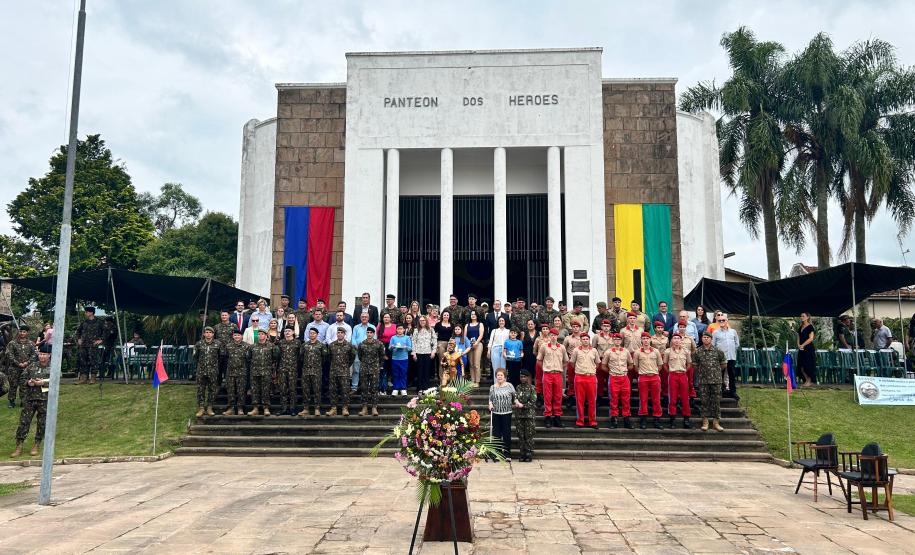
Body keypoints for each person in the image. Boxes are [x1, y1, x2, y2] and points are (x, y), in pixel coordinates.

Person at [11, 345, 50, 458]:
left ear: (49, 355)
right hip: (30, 399)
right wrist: (28, 382)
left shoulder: (53, 367)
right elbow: (22, 378)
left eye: (44, 354)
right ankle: (19, 446)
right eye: (41, 354)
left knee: (41, 423)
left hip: (44, 399)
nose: (42, 356)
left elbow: (57, 380)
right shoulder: (32, 366)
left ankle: (36, 444)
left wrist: (43, 382)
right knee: (24, 422)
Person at [693, 331, 727, 432]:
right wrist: (704, 372)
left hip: (716, 380)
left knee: (716, 401)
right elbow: (695, 366)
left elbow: (723, 364)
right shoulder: (697, 351)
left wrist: (714, 371)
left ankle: (716, 422)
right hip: (703, 381)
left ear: (711, 339)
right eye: (704, 337)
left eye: (708, 337)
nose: (706, 339)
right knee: (704, 401)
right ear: (702, 339)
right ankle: (705, 421)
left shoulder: (718, 350)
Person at [538, 328, 568, 428]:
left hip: (558, 374)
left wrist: (559, 367)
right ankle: (548, 417)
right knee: (547, 396)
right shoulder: (544, 346)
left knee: (558, 396)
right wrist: (545, 368)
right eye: (551, 335)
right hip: (547, 374)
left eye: (555, 335)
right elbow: (539, 360)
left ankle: (557, 417)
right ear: (549, 336)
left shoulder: (562, 347)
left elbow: (566, 361)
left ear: (557, 336)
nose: (553, 337)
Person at [633, 332, 663, 429]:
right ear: (641, 340)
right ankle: (643, 418)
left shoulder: (656, 351)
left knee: (656, 399)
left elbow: (660, 365)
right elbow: (635, 366)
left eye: (647, 338)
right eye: (644, 338)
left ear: (650, 340)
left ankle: (657, 418)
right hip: (643, 377)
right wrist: (643, 373)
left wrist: (653, 372)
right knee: (643, 398)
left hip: (654, 377)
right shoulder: (637, 352)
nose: (645, 340)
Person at [602, 333, 632, 429]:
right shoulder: (608, 352)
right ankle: (614, 419)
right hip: (613, 377)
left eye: (619, 339)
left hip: (624, 377)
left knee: (626, 399)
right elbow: (603, 366)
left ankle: (626, 418)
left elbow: (631, 364)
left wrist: (625, 370)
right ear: (613, 340)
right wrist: (611, 371)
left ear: (621, 341)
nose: (617, 341)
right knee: (614, 399)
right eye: (615, 339)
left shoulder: (626, 351)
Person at [570, 331, 600, 429]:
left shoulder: (594, 350)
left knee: (592, 400)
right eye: (583, 339)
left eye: (587, 339)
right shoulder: (576, 350)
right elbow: (572, 363)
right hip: (580, 377)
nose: (585, 341)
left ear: (589, 340)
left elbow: (597, 363)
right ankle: (580, 421)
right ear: (581, 340)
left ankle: (592, 421)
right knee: (580, 400)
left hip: (591, 377)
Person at [298, 328, 328, 417]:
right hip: (306, 371)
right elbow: (301, 357)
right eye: (310, 333)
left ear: (317, 334)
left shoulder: (321, 345)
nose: (312, 335)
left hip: (317, 371)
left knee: (317, 390)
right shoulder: (304, 345)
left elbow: (324, 358)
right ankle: (306, 408)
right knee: (305, 390)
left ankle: (317, 408)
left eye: (314, 333)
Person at [488, 368, 516, 462]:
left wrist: (517, 402)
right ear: (496, 376)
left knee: (506, 433)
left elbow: (514, 397)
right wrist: (490, 404)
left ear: (505, 377)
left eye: (501, 375)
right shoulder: (492, 387)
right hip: (496, 413)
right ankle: (498, 453)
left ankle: (507, 454)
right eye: (498, 375)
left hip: (507, 413)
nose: (499, 377)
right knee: (496, 434)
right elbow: (490, 399)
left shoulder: (509, 386)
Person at [192, 327, 221, 418]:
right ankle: (201, 408)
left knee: (212, 390)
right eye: (206, 332)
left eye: (210, 332)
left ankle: (209, 407)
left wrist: (215, 366)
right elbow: (195, 356)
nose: (208, 334)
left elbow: (221, 357)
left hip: (213, 371)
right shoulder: (199, 344)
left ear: (213, 334)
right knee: (201, 390)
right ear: (204, 334)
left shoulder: (218, 344)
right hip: (201, 371)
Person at [327, 327, 357, 416]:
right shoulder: (332, 345)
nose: (340, 334)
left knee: (345, 390)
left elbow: (352, 357)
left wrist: (346, 365)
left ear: (344, 334)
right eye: (338, 332)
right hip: (333, 371)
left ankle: (345, 408)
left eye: (341, 332)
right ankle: (333, 408)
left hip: (344, 372)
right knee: (333, 390)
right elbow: (329, 357)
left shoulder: (349, 345)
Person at [356, 327, 385, 416]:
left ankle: (374, 407)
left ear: (373, 334)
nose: (369, 334)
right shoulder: (362, 344)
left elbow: (381, 356)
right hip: (364, 368)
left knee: (374, 388)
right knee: (364, 388)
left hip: (374, 369)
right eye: (368, 332)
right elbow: (360, 356)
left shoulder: (379, 344)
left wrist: (378, 366)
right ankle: (364, 407)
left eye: (371, 332)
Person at [665, 333, 692, 429]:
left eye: (678, 338)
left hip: (683, 375)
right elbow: (665, 364)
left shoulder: (686, 351)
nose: (676, 340)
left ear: (681, 341)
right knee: (672, 398)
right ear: (672, 340)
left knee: (685, 398)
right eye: (674, 338)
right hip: (672, 375)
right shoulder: (668, 351)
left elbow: (689, 364)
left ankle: (686, 419)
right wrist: (670, 372)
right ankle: (672, 420)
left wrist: (683, 371)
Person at [6, 325, 36, 408]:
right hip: (14, 368)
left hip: (26, 368)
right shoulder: (12, 343)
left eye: (24, 332)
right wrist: (18, 363)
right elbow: (9, 354)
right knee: (13, 385)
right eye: (20, 331)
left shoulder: (31, 344)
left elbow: (34, 354)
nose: (22, 333)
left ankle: (24, 401)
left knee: (24, 385)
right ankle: (11, 401)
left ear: (27, 333)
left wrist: (27, 363)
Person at [248, 331, 277, 416]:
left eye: (262, 334)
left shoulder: (271, 346)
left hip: (266, 371)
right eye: (259, 334)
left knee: (266, 390)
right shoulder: (252, 346)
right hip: (254, 371)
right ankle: (255, 408)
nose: (260, 336)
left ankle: (266, 408)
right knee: (254, 390)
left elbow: (275, 358)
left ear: (266, 336)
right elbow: (248, 357)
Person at [712, 314, 740, 401]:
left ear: (727, 321)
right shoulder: (715, 333)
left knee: (732, 374)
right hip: (720, 358)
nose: (721, 322)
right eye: (719, 320)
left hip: (731, 356)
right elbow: (713, 345)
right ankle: (719, 392)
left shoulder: (733, 332)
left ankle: (733, 392)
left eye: (723, 320)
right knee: (719, 375)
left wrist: (731, 350)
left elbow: (737, 344)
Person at [222, 329, 250, 416]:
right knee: (230, 390)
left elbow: (249, 359)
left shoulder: (247, 346)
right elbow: (225, 358)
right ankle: (231, 408)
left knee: (241, 391)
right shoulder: (228, 346)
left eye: (238, 335)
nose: (237, 337)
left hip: (242, 372)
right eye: (235, 335)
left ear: (241, 336)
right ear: (233, 336)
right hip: (230, 372)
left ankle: (240, 408)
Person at [75, 307, 104, 385]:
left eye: (86, 312)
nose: (85, 313)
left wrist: (101, 340)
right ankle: (84, 378)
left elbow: (106, 332)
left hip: (93, 345)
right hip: (83, 345)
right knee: (83, 361)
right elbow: (78, 331)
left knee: (93, 361)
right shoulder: (84, 322)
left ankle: (93, 377)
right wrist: (78, 339)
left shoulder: (99, 322)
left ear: (91, 313)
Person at [514, 370, 537, 462]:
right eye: (521, 377)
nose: (523, 378)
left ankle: (529, 453)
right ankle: (522, 453)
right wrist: (516, 402)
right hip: (519, 415)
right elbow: (515, 397)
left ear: (528, 377)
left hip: (529, 415)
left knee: (529, 435)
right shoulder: (518, 387)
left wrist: (523, 405)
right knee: (520, 435)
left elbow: (533, 401)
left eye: (524, 376)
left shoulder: (532, 388)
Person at [277, 327, 301, 415]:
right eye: (286, 331)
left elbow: (300, 355)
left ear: (293, 332)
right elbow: (278, 355)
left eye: (289, 331)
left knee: (292, 389)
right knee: (283, 389)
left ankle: (292, 409)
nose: (287, 332)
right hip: (282, 368)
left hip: (293, 369)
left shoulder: (297, 343)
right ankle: (283, 408)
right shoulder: (281, 342)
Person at [350, 312, 376, 392]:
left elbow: (375, 338)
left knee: (368, 371)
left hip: (369, 352)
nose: (364, 318)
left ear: (368, 318)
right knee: (356, 370)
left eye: (366, 317)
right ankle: (354, 387)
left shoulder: (372, 327)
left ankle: (367, 387)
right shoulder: (356, 327)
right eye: (362, 317)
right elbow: (353, 338)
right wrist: (355, 345)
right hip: (358, 351)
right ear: (360, 318)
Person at [411, 315, 437, 390]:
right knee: (419, 371)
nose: (422, 322)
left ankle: (425, 388)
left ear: (426, 321)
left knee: (426, 371)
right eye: (421, 320)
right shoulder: (416, 330)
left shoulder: (431, 330)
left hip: (428, 352)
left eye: (423, 320)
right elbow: (413, 342)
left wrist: (433, 351)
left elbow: (434, 341)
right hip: (418, 353)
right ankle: (419, 388)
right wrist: (414, 353)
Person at [389, 323, 412, 396]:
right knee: (395, 373)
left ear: (404, 330)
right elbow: (389, 348)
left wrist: (405, 347)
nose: (400, 330)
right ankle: (396, 388)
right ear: (396, 330)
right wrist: (392, 347)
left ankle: (403, 388)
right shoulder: (393, 338)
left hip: (404, 358)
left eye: (401, 329)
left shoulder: (407, 338)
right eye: (398, 329)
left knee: (403, 373)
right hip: (395, 358)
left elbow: (409, 348)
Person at [377, 313, 396, 395]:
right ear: (382, 318)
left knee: (392, 365)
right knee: (383, 366)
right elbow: (377, 337)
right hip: (382, 347)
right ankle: (383, 387)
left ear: (390, 318)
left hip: (393, 348)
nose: (386, 318)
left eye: (388, 317)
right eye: (385, 317)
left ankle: (390, 381)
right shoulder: (379, 326)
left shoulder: (394, 326)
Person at [465, 310, 484, 385]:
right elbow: (465, 336)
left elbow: (481, 335)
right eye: (472, 314)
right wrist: (469, 344)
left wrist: (476, 343)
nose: (473, 315)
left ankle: (477, 381)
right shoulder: (467, 325)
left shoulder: (480, 324)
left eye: (474, 314)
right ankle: (472, 380)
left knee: (476, 364)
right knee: (471, 364)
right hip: (469, 345)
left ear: (477, 315)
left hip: (478, 344)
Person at [797, 312, 816, 386]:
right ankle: (805, 379)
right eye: (801, 316)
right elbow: (798, 336)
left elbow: (811, 338)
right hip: (801, 348)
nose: (801, 317)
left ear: (807, 317)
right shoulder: (800, 327)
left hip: (808, 348)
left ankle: (809, 380)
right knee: (801, 365)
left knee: (807, 364)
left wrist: (803, 345)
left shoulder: (810, 327)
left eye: (803, 316)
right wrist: (798, 345)